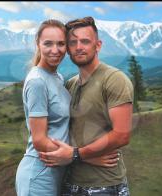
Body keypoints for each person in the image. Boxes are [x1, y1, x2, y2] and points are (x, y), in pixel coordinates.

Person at [15, 19, 118, 196]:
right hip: (39, 173)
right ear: (38, 44)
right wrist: (87, 157)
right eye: (48, 43)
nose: (55, 50)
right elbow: (39, 140)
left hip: (55, 173)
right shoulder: (37, 81)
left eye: (61, 44)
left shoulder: (57, 78)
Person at [39, 16, 134, 195]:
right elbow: (63, 133)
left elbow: (122, 135)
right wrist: (84, 157)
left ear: (98, 45)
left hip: (104, 186)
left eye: (85, 41)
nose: (79, 47)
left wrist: (77, 154)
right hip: (69, 183)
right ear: (68, 49)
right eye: (73, 42)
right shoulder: (70, 84)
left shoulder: (114, 80)